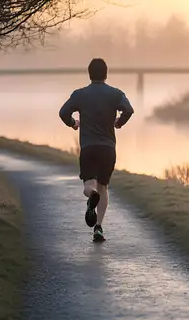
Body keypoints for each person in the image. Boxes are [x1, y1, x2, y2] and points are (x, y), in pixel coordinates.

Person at [59, 58, 134, 242]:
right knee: (104, 186)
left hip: (88, 147)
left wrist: (73, 123)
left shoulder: (80, 95)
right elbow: (129, 110)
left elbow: (63, 112)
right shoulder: (115, 94)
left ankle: (91, 195)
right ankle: (98, 228)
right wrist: (119, 122)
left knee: (89, 185)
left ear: (89, 74)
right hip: (108, 148)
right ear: (106, 74)